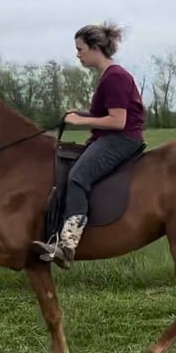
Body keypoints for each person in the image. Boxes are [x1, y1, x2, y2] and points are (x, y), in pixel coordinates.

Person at [32, 22, 146, 269]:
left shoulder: (115, 77)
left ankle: (68, 245)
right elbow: (109, 112)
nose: (78, 54)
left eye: (80, 48)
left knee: (77, 177)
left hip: (121, 139)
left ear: (95, 47)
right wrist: (80, 113)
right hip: (113, 137)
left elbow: (118, 121)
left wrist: (80, 120)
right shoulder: (110, 75)